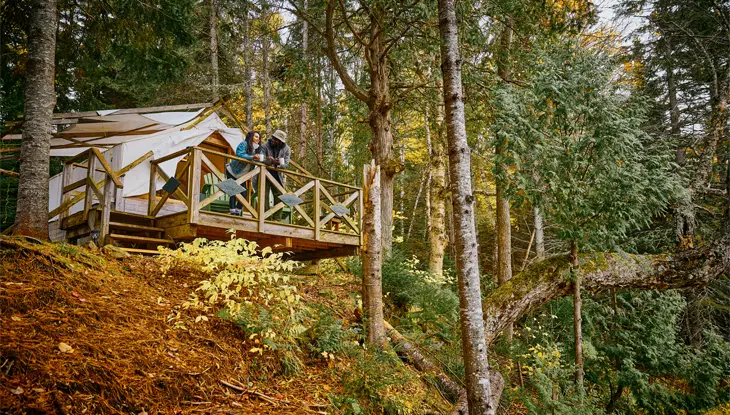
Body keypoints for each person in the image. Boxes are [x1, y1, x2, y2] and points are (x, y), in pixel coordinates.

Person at [226, 131, 261, 215]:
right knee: (233, 191)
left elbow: (261, 158)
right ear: (251, 137)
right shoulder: (244, 144)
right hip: (233, 171)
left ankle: (237, 212)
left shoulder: (258, 149)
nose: (258, 139)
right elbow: (240, 154)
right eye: (256, 136)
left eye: (259, 138)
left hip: (243, 175)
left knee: (244, 193)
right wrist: (252, 157)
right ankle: (232, 212)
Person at [259, 130, 291, 216]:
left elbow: (287, 165)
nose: (273, 140)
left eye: (276, 139)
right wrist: (269, 161)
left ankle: (277, 217)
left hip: (278, 175)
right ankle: (264, 216)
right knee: (263, 194)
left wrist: (280, 164)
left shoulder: (287, 149)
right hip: (264, 173)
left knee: (279, 195)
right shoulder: (264, 146)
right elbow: (260, 160)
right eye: (273, 138)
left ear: (280, 142)